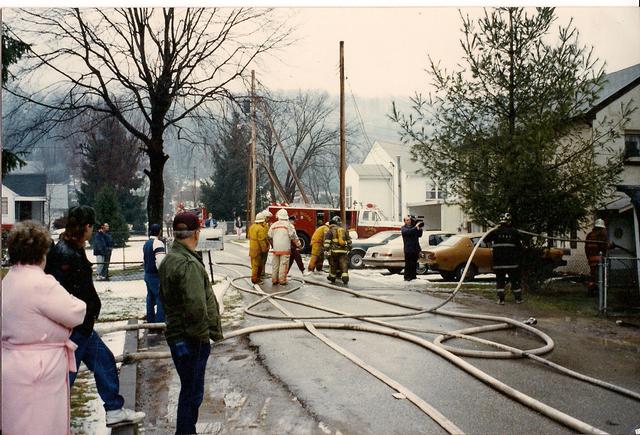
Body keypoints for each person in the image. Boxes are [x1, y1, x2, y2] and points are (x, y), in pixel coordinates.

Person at [45, 205, 146, 427]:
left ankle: (114, 409)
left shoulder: (71, 248)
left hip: (83, 326)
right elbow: (62, 292)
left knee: (104, 361)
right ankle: (50, 420)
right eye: (92, 226)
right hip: (75, 328)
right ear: (88, 226)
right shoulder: (66, 253)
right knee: (66, 376)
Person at [2, 221, 87, 435]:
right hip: (41, 369)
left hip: (12, 364)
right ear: (42, 253)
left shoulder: (9, 279)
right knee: (43, 425)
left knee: (18, 424)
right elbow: (76, 312)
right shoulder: (41, 283)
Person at [158, 212, 223, 435]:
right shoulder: (188, 264)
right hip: (192, 339)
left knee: (188, 388)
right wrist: (202, 338)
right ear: (196, 233)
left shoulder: (170, 259)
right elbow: (196, 307)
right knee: (193, 392)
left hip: (177, 336)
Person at [485, 212, 523, 305]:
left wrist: (492, 231)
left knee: (500, 280)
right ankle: (518, 299)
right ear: (509, 221)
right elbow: (519, 246)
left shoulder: (495, 232)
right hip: (512, 262)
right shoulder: (514, 232)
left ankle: (501, 299)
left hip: (499, 262)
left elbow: (486, 240)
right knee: (515, 280)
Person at [267, 208, 300, 285]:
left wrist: (272, 244)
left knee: (275, 265)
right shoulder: (289, 225)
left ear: (278, 216)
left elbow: (269, 236)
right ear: (286, 216)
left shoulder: (274, 225)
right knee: (283, 265)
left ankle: (274, 280)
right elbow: (293, 236)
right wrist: (299, 245)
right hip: (285, 249)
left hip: (276, 249)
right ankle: (282, 280)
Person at [143, 223, 166, 323]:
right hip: (155, 275)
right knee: (160, 297)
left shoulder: (147, 243)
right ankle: (160, 321)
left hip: (147, 273)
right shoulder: (158, 243)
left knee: (150, 298)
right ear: (160, 231)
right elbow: (160, 261)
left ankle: (150, 320)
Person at [584, 218, 612, 295]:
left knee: (593, 275)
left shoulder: (589, 235)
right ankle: (601, 292)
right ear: (601, 228)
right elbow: (604, 247)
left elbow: (586, 248)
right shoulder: (602, 236)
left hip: (591, 259)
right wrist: (610, 245)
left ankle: (591, 291)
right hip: (600, 259)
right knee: (601, 276)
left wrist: (588, 258)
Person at [324, 215, 352, 284]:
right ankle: (345, 277)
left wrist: (326, 250)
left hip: (334, 252)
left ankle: (332, 277)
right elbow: (349, 241)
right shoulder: (343, 230)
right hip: (343, 251)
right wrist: (349, 248)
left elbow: (327, 242)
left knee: (333, 264)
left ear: (330, 225)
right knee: (344, 264)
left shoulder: (330, 231)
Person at [248, 212, 269, 284]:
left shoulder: (252, 227)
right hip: (258, 250)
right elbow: (261, 240)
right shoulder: (260, 228)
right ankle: (255, 279)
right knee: (258, 265)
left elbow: (249, 236)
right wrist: (264, 249)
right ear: (262, 221)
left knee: (253, 265)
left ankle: (254, 278)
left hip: (252, 249)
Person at [401, 215, 424, 281]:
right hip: (408, 249)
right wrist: (416, 227)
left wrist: (419, 228)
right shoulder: (403, 228)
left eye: (409, 220)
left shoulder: (414, 227)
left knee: (414, 263)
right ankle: (407, 277)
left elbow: (420, 235)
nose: (409, 221)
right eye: (407, 220)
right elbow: (408, 232)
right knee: (408, 264)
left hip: (416, 248)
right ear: (405, 221)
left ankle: (413, 276)